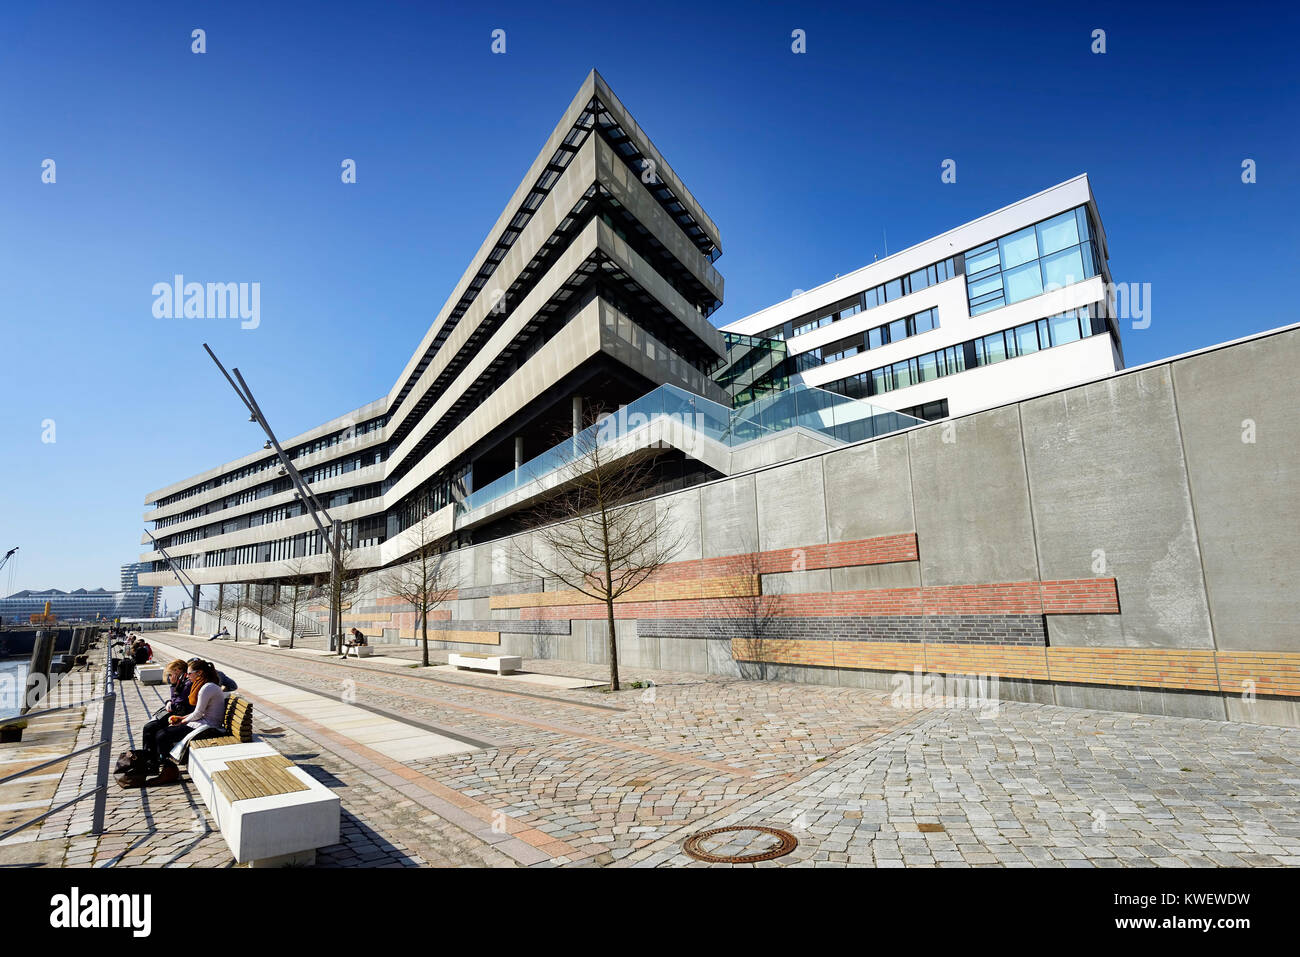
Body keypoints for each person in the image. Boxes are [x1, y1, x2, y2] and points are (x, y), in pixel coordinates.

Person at [144, 660, 225, 782]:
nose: (187, 676)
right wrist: (182, 719)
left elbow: (198, 713)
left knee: (162, 735)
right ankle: (167, 768)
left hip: (209, 726)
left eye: (190, 673)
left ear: (200, 673)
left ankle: (169, 771)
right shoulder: (206, 686)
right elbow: (198, 713)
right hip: (203, 722)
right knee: (161, 733)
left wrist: (182, 721)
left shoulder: (207, 688)